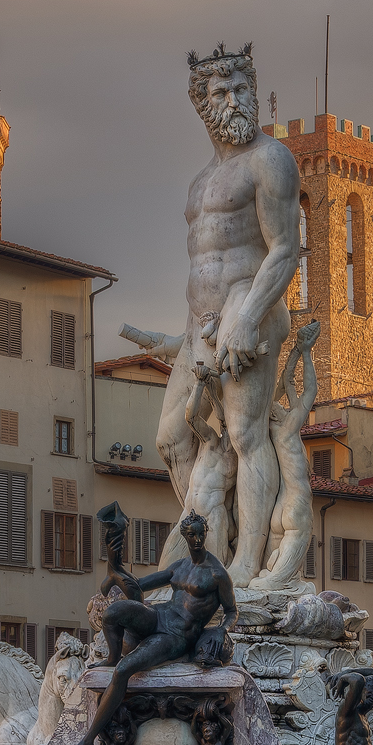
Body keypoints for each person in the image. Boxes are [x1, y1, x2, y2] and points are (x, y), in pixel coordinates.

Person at [122, 43, 302, 585]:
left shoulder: (269, 160)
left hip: (249, 306)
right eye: (222, 91)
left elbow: (285, 248)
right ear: (202, 103)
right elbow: (206, 265)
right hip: (198, 327)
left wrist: (247, 315)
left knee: (246, 436)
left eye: (242, 88)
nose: (235, 100)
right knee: (173, 438)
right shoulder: (201, 183)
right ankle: (209, 544)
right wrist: (176, 339)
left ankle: (246, 561)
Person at [67, 508, 239, 745]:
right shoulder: (179, 567)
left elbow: (233, 611)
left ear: (206, 534)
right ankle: (112, 656)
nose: (197, 540)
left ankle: (88, 739)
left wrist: (220, 630)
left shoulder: (217, 573)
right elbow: (139, 586)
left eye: (201, 534)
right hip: (160, 616)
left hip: (177, 635)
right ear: (185, 536)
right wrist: (114, 567)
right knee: (113, 612)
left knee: (125, 670)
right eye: (192, 535)